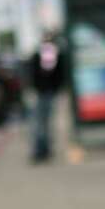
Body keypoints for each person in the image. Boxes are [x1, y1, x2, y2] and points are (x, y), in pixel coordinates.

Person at [27, 32, 66, 163]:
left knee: (43, 124)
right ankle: (41, 150)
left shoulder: (50, 56)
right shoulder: (41, 56)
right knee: (41, 124)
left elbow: (57, 75)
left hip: (46, 93)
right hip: (42, 93)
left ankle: (43, 150)